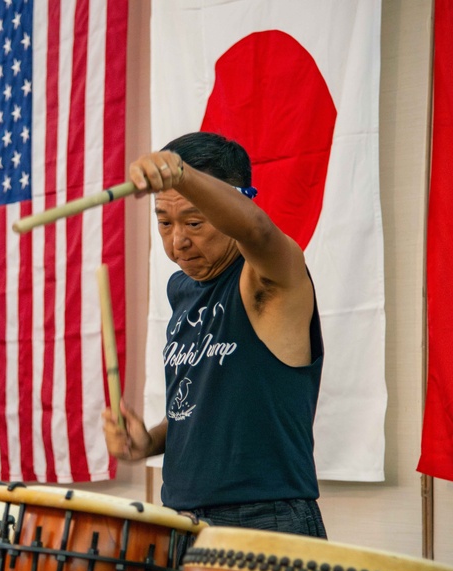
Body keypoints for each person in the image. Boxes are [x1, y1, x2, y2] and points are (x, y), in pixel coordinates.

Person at [102, 131, 326, 537]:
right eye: (165, 223)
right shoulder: (183, 289)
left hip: (264, 519)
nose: (178, 241)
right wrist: (147, 442)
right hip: (181, 517)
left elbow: (256, 229)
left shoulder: (271, 276)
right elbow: (207, 405)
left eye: (193, 221)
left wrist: (181, 176)